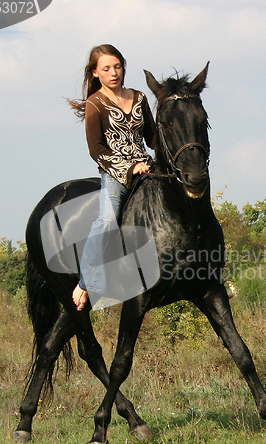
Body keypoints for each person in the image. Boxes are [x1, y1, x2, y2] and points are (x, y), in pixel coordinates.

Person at [68, 45, 156, 311]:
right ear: (95, 73)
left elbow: (152, 137)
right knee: (107, 221)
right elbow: (96, 149)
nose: (113, 72)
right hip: (116, 174)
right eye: (106, 68)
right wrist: (130, 168)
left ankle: (213, 276)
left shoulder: (139, 97)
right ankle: (86, 282)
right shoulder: (95, 103)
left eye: (117, 66)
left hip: (148, 169)